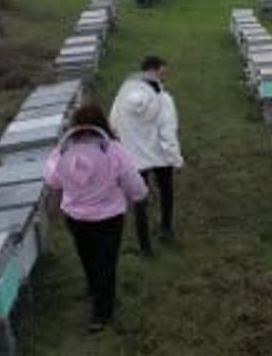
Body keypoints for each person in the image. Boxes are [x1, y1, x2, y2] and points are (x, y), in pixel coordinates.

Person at [43, 104, 147, 333]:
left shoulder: (63, 150)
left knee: (87, 256)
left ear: (75, 126)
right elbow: (133, 181)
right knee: (107, 262)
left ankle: (95, 290)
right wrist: (139, 195)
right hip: (109, 218)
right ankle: (102, 312)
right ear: (102, 124)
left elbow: (51, 179)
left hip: (76, 218)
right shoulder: (112, 149)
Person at [109, 55, 184, 255]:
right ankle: (166, 229)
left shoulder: (121, 98)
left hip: (134, 157)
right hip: (160, 156)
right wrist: (175, 159)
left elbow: (114, 124)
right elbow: (168, 133)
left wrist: (127, 144)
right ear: (153, 71)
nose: (164, 75)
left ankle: (145, 246)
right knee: (166, 190)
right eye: (162, 71)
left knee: (139, 201)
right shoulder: (164, 99)